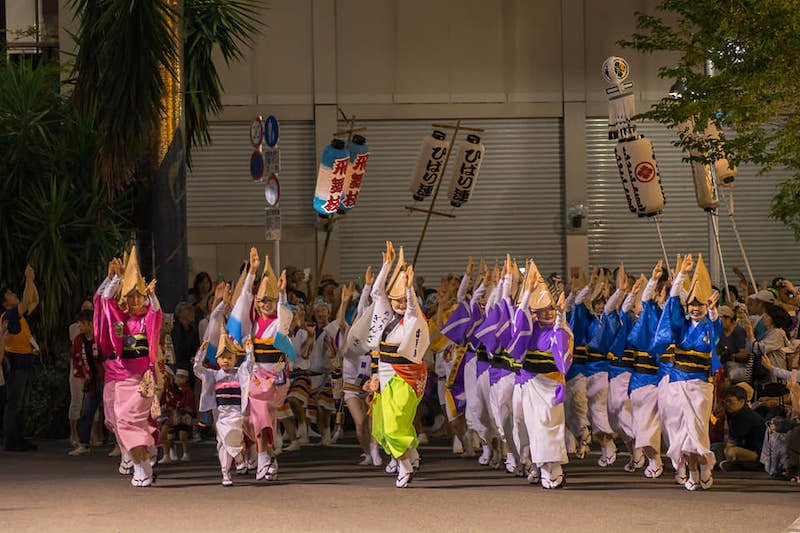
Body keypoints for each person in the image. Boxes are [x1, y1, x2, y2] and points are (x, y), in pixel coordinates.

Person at [95, 248, 163, 487]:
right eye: (130, 296)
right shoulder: (122, 320)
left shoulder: (146, 319)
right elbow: (105, 302)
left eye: (138, 295)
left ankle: (142, 467)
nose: (134, 300)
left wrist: (152, 296)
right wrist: (115, 279)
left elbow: (156, 315)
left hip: (141, 380)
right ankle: (142, 468)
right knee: (123, 422)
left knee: (127, 420)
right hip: (122, 380)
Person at [365, 242, 430, 488]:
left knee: (394, 426)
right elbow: (376, 294)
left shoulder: (413, 319)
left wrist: (410, 290)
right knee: (380, 428)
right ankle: (410, 453)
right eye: (397, 300)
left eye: (404, 300)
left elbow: (412, 307)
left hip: (406, 377)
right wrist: (387, 265)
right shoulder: (385, 318)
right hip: (384, 377)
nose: (401, 303)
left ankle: (405, 465)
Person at [226, 248, 294, 481]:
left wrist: (283, 295)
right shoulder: (253, 323)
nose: (266, 303)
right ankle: (269, 456)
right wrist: (252, 273)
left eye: (271, 300)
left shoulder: (279, 322)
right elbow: (242, 299)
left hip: (274, 378)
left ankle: (263, 456)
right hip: (255, 376)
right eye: (262, 299)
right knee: (248, 419)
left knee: (262, 413)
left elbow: (286, 318)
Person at [656, 254, 721, 491]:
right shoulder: (680, 325)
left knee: (697, 429)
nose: (695, 309)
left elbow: (715, 335)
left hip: (701, 386)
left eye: (699, 305)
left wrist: (713, 313)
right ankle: (692, 470)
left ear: (706, 306)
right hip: (677, 383)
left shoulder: (709, 324)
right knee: (681, 432)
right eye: (692, 305)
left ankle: (704, 466)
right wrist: (681, 275)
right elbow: (673, 302)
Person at [509, 260, 572, 488]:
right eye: (542, 310)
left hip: (552, 384)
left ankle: (553, 470)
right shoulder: (530, 329)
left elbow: (562, 345)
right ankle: (539, 466)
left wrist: (561, 316)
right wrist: (526, 294)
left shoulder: (559, 328)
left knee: (549, 427)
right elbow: (517, 325)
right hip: (530, 383)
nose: (547, 313)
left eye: (551, 309)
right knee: (532, 427)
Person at [194, 334, 254, 486]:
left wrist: (249, 351)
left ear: (235, 358)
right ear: (217, 360)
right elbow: (198, 369)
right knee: (222, 443)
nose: (225, 360)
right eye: (222, 357)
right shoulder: (213, 375)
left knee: (231, 438)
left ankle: (239, 457)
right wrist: (200, 354)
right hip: (221, 415)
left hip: (236, 415)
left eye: (229, 357)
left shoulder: (239, 374)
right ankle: (226, 473)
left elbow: (249, 365)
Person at [2, 264, 40, 452]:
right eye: (9, 294)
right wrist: (29, 279)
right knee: (14, 403)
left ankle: (17, 438)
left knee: (18, 403)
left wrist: (31, 281)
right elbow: (26, 302)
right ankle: (12, 440)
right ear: (5, 302)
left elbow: (33, 300)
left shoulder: (17, 316)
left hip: (23, 360)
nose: (13, 294)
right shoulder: (8, 315)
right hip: (16, 361)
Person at [68, 310, 105, 456]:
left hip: (104, 377)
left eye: (82, 323)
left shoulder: (101, 337)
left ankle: (119, 444)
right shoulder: (79, 340)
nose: (80, 326)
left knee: (109, 411)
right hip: (91, 379)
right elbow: (75, 358)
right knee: (86, 411)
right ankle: (84, 443)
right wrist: (82, 376)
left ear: (91, 323)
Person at [719, 385, 765, 470]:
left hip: (758, 455)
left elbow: (733, 441)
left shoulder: (745, 416)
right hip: (746, 447)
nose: (727, 404)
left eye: (730, 401)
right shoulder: (734, 413)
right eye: (725, 402)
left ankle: (737, 465)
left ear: (742, 401)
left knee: (731, 451)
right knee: (716, 447)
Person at [717, 305, 750, 383]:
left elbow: (744, 354)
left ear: (728, 319)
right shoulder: (720, 332)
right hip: (724, 363)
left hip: (737, 365)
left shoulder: (738, 332)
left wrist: (731, 355)